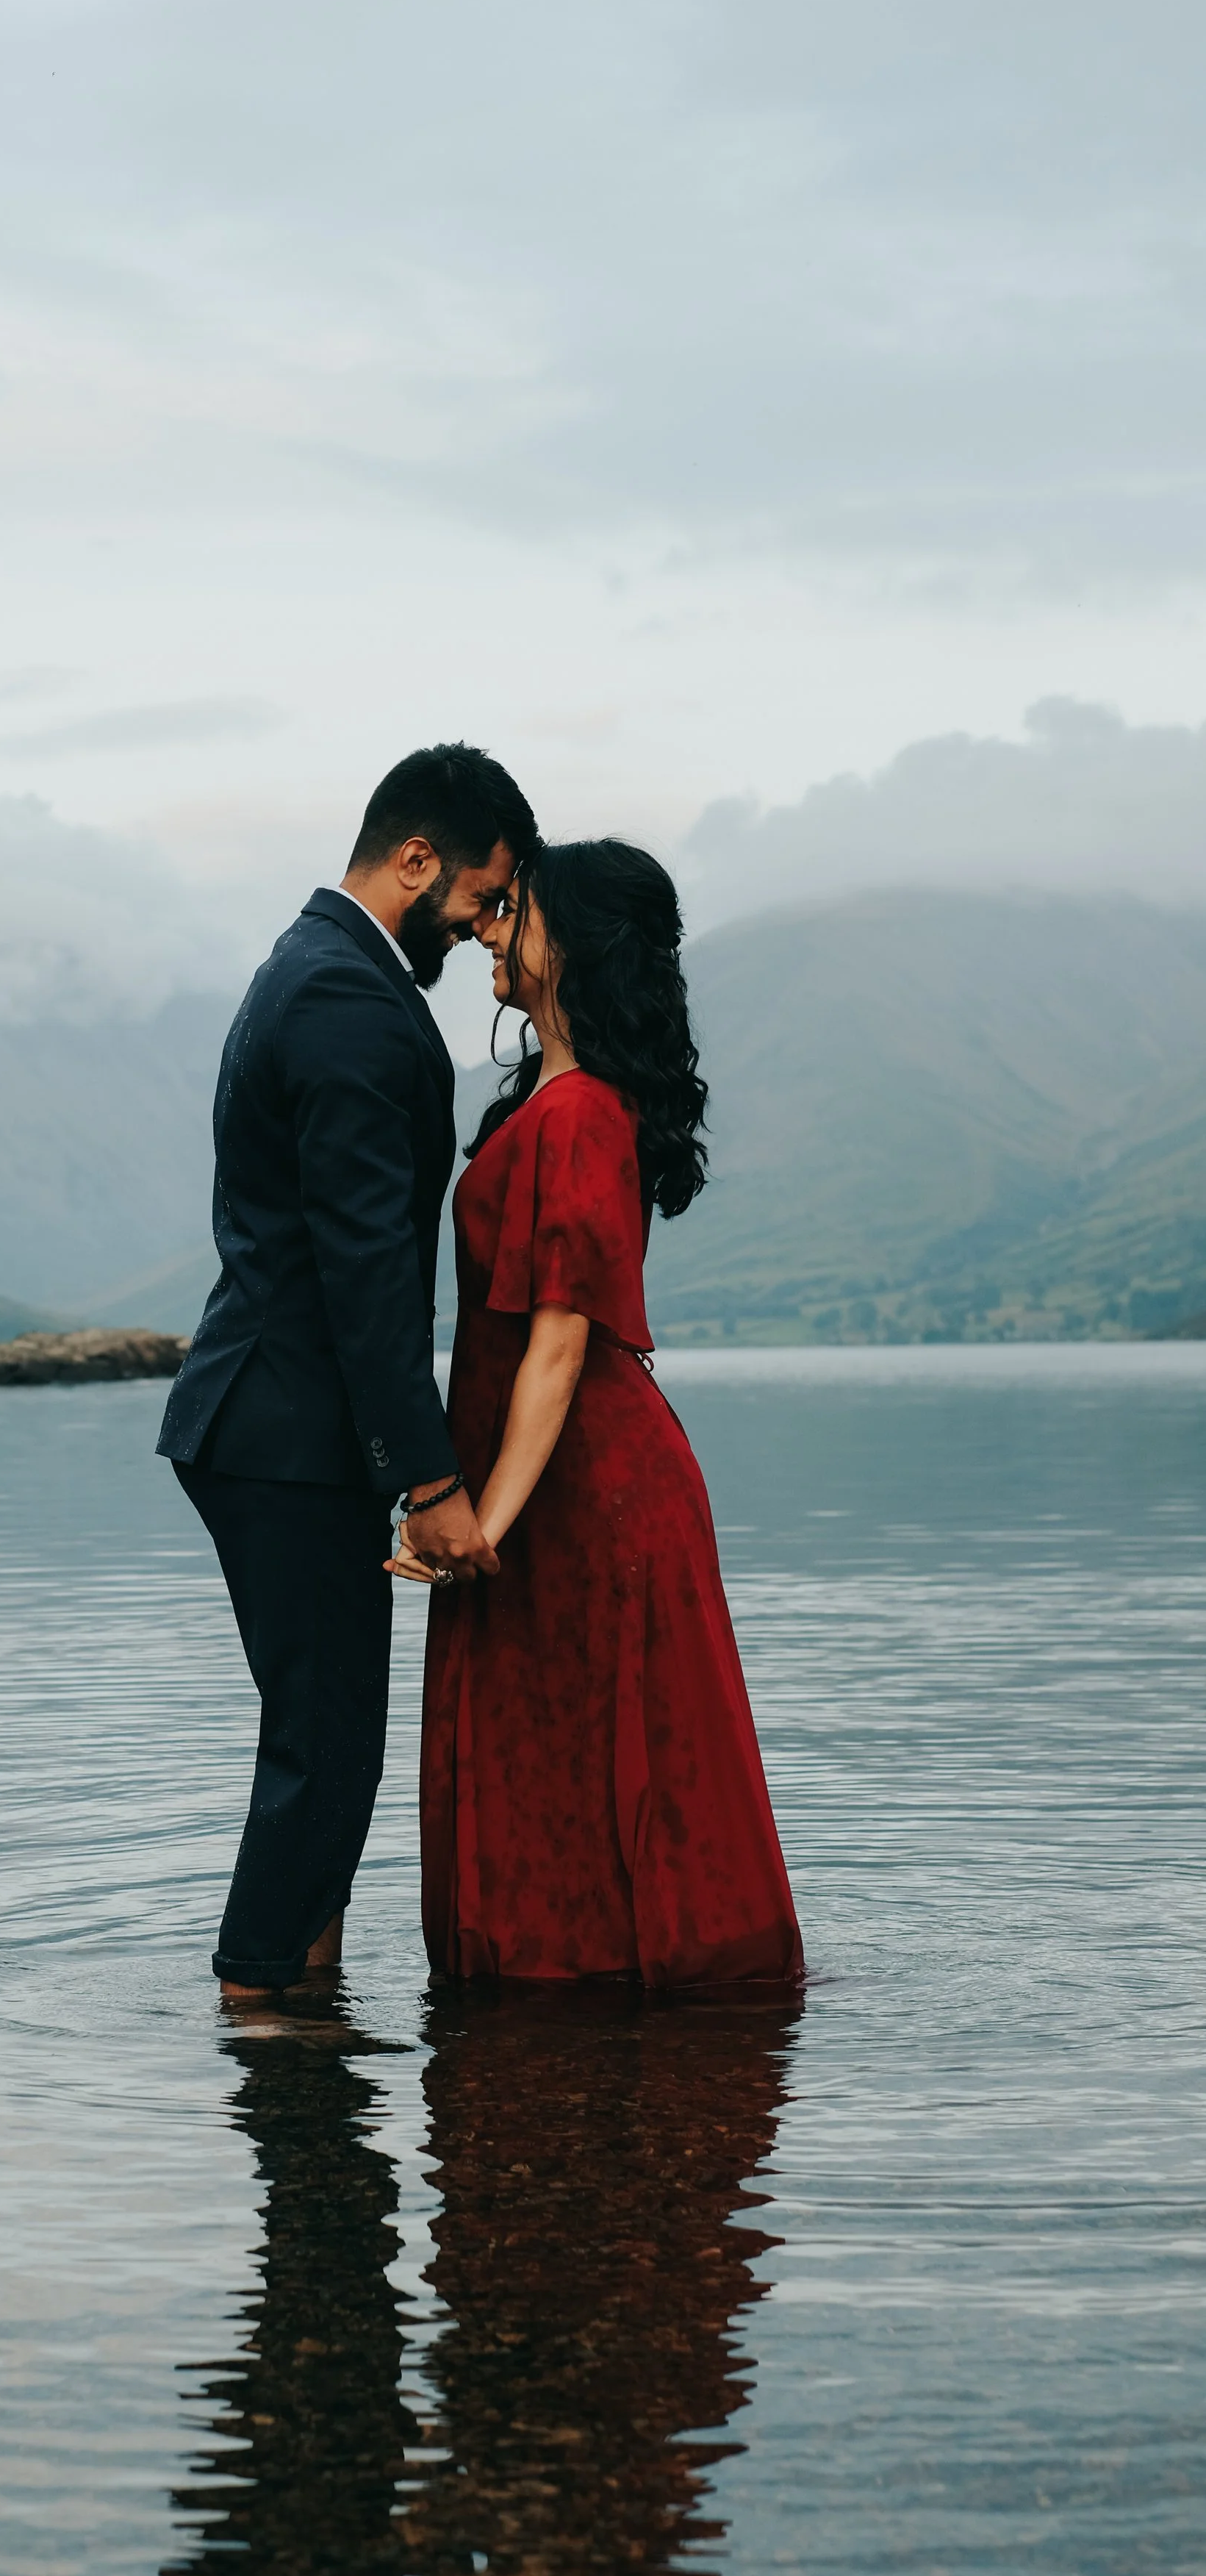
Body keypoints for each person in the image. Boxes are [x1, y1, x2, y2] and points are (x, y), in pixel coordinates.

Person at [159, 743, 538, 1997]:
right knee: (324, 1753)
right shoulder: (344, 998)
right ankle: (266, 2012)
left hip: (276, 1423)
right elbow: (364, 1265)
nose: (481, 924)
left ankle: (304, 2004)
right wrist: (428, 1479)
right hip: (285, 1432)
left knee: (327, 1747)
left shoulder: (316, 964)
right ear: (415, 858)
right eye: (480, 895)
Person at [397, 837, 803, 1988]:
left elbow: (561, 1339)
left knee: (587, 1759)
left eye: (512, 912)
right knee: (560, 1761)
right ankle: (573, 2024)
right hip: (552, 1485)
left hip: (579, 1495)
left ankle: (593, 2012)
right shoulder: (547, 1099)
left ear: (571, 943)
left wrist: (482, 1521)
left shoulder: (576, 1115)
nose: (488, 925)